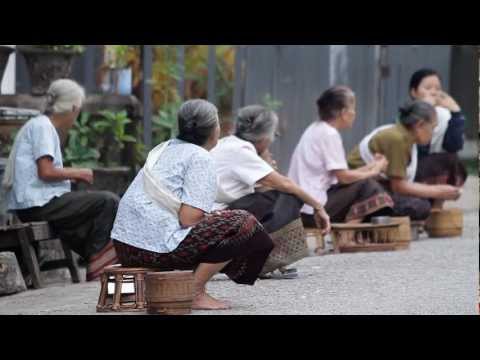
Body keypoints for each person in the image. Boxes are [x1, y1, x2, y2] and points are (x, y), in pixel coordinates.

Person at [111, 100, 274, 311]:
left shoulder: (164, 148)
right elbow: (188, 219)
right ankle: (194, 292)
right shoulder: (200, 157)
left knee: (224, 221)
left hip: (124, 246)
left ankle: (190, 287)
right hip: (153, 249)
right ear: (214, 130)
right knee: (243, 223)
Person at [3, 79, 119, 281]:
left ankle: (99, 259)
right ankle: (98, 263)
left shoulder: (39, 125)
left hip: (37, 202)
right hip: (37, 204)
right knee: (108, 201)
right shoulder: (43, 127)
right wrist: (78, 173)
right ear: (74, 108)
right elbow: (45, 171)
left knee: (87, 217)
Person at [211, 105, 331, 280]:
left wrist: (265, 163)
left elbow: (262, 190)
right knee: (289, 197)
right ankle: (261, 261)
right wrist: (318, 207)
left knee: (275, 196)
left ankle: (255, 258)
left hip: (219, 214)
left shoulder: (229, 144)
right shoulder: (241, 151)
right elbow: (285, 185)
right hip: (219, 217)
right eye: (274, 135)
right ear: (264, 136)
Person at [288, 86, 394, 228]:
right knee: (368, 186)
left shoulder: (316, 128)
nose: (355, 113)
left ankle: (349, 233)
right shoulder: (329, 134)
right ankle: (349, 234)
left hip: (301, 207)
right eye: (353, 109)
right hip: (312, 210)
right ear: (344, 113)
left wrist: (372, 166)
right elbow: (344, 178)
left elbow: (341, 174)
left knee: (364, 183)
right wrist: (374, 171)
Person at [348, 100, 462, 221]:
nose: (432, 133)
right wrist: (438, 191)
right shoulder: (397, 139)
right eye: (432, 128)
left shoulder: (405, 135)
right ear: (420, 125)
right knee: (420, 207)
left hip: (379, 185)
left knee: (448, 160)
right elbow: (398, 187)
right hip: (359, 192)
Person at [408, 69, 468, 205]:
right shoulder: (407, 116)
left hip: (429, 168)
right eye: (428, 88)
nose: (434, 92)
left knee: (452, 160)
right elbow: (418, 153)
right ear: (414, 92)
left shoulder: (443, 114)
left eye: (437, 88)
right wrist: (425, 112)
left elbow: (453, 146)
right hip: (408, 170)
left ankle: (437, 206)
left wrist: (456, 113)